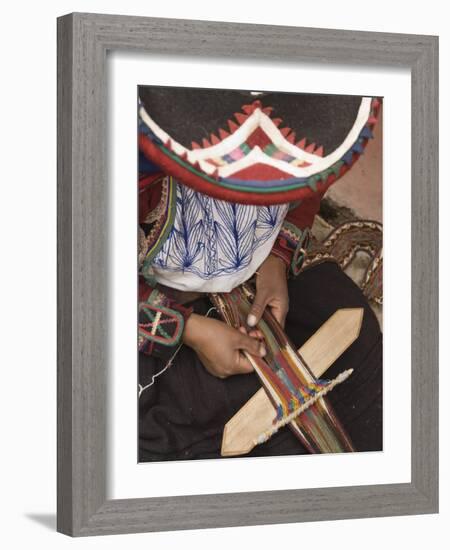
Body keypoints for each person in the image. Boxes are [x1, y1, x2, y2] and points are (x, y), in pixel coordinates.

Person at [137, 88, 383, 461]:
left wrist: (276, 259)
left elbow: (309, 189)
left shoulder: (310, 121)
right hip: (150, 297)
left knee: (360, 342)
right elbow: (83, 278)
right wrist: (190, 330)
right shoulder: (126, 159)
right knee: (161, 430)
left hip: (259, 271)